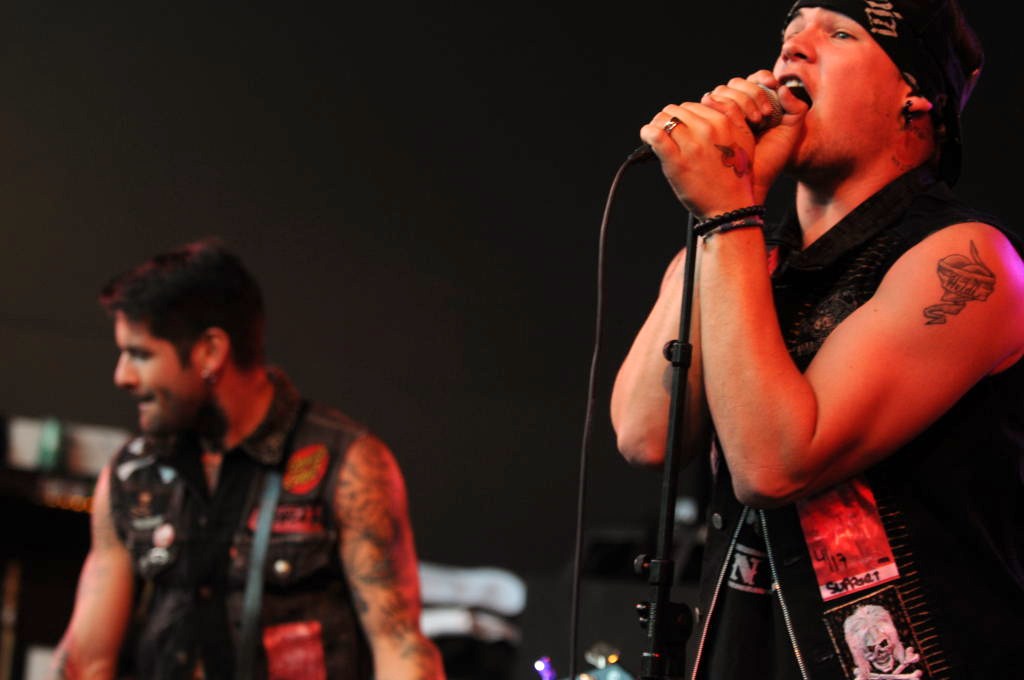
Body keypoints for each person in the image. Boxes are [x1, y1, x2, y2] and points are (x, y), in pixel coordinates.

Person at [610, 1, 1024, 677]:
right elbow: (645, 436)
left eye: (839, 33)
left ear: (916, 97)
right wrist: (726, 210)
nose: (793, 50)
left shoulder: (967, 259)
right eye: (789, 34)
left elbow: (775, 465)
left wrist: (728, 215)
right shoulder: (739, 251)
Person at [52, 239, 445, 679]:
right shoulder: (132, 474)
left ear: (210, 352)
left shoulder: (346, 464)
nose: (122, 376)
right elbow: (85, 660)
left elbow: (400, 646)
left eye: (140, 355)